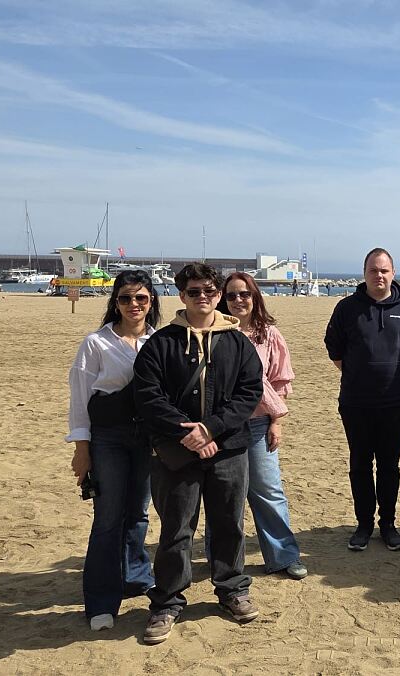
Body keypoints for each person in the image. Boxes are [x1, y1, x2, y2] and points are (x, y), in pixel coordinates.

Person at [133, 263, 264, 645]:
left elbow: (248, 392)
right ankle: (167, 602)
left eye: (209, 290)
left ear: (218, 294)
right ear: (182, 295)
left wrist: (212, 428)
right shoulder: (162, 343)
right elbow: (148, 395)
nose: (202, 297)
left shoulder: (238, 343)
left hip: (228, 449)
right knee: (176, 528)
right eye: (194, 291)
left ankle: (231, 589)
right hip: (177, 452)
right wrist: (186, 431)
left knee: (228, 523)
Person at [66, 270, 161, 632]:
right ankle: (102, 600)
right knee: (108, 519)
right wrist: (82, 449)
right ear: (115, 302)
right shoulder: (96, 342)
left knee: (138, 513)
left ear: (152, 301)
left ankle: (135, 578)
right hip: (108, 436)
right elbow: (80, 399)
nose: (134, 305)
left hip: (146, 437)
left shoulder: (160, 341)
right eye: (125, 298)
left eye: (141, 298)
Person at [325, 247, 400, 552]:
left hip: (395, 404)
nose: (379, 275)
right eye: (373, 270)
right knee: (359, 464)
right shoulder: (347, 308)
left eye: (384, 270)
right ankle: (364, 524)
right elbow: (336, 351)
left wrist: (387, 372)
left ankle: (388, 523)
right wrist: (362, 373)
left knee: (389, 466)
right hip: (356, 404)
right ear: (364, 273)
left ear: (393, 273)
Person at [214, 272, 307, 580]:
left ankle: (283, 555)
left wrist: (276, 422)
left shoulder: (268, 334)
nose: (238, 300)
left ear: (255, 297)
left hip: (257, 424)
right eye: (231, 295)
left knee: (267, 490)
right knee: (225, 495)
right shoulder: (213, 332)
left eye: (245, 294)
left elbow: (281, 380)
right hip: (222, 426)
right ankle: (223, 561)